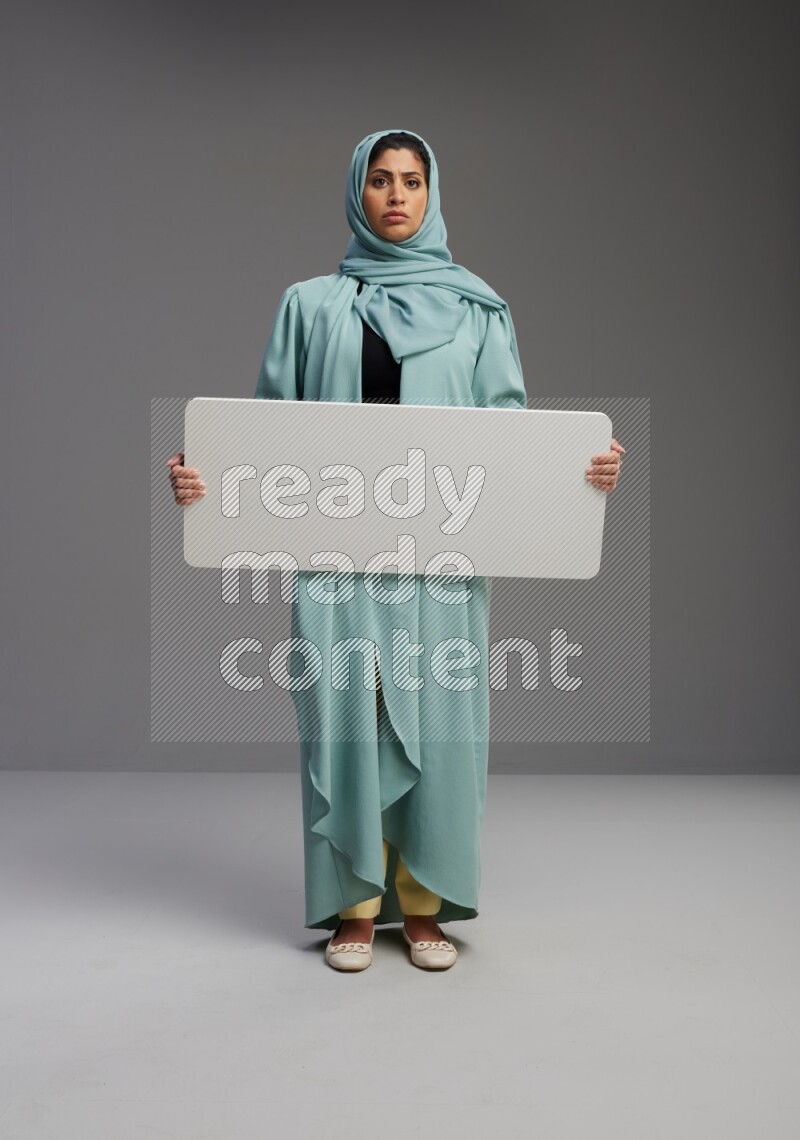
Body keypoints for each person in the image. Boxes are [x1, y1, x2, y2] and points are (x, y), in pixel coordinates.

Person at [167, 128, 624, 972]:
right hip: (334, 552)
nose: (397, 196)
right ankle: (353, 905)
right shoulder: (310, 306)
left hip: (441, 556)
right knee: (345, 718)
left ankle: (422, 906)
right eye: (380, 180)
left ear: (433, 192)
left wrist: (580, 473)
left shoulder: (480, 310)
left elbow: (510, 439)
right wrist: (209, 482)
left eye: (413, 181)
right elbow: (264, 432)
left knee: (438, 718)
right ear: (358, 193)